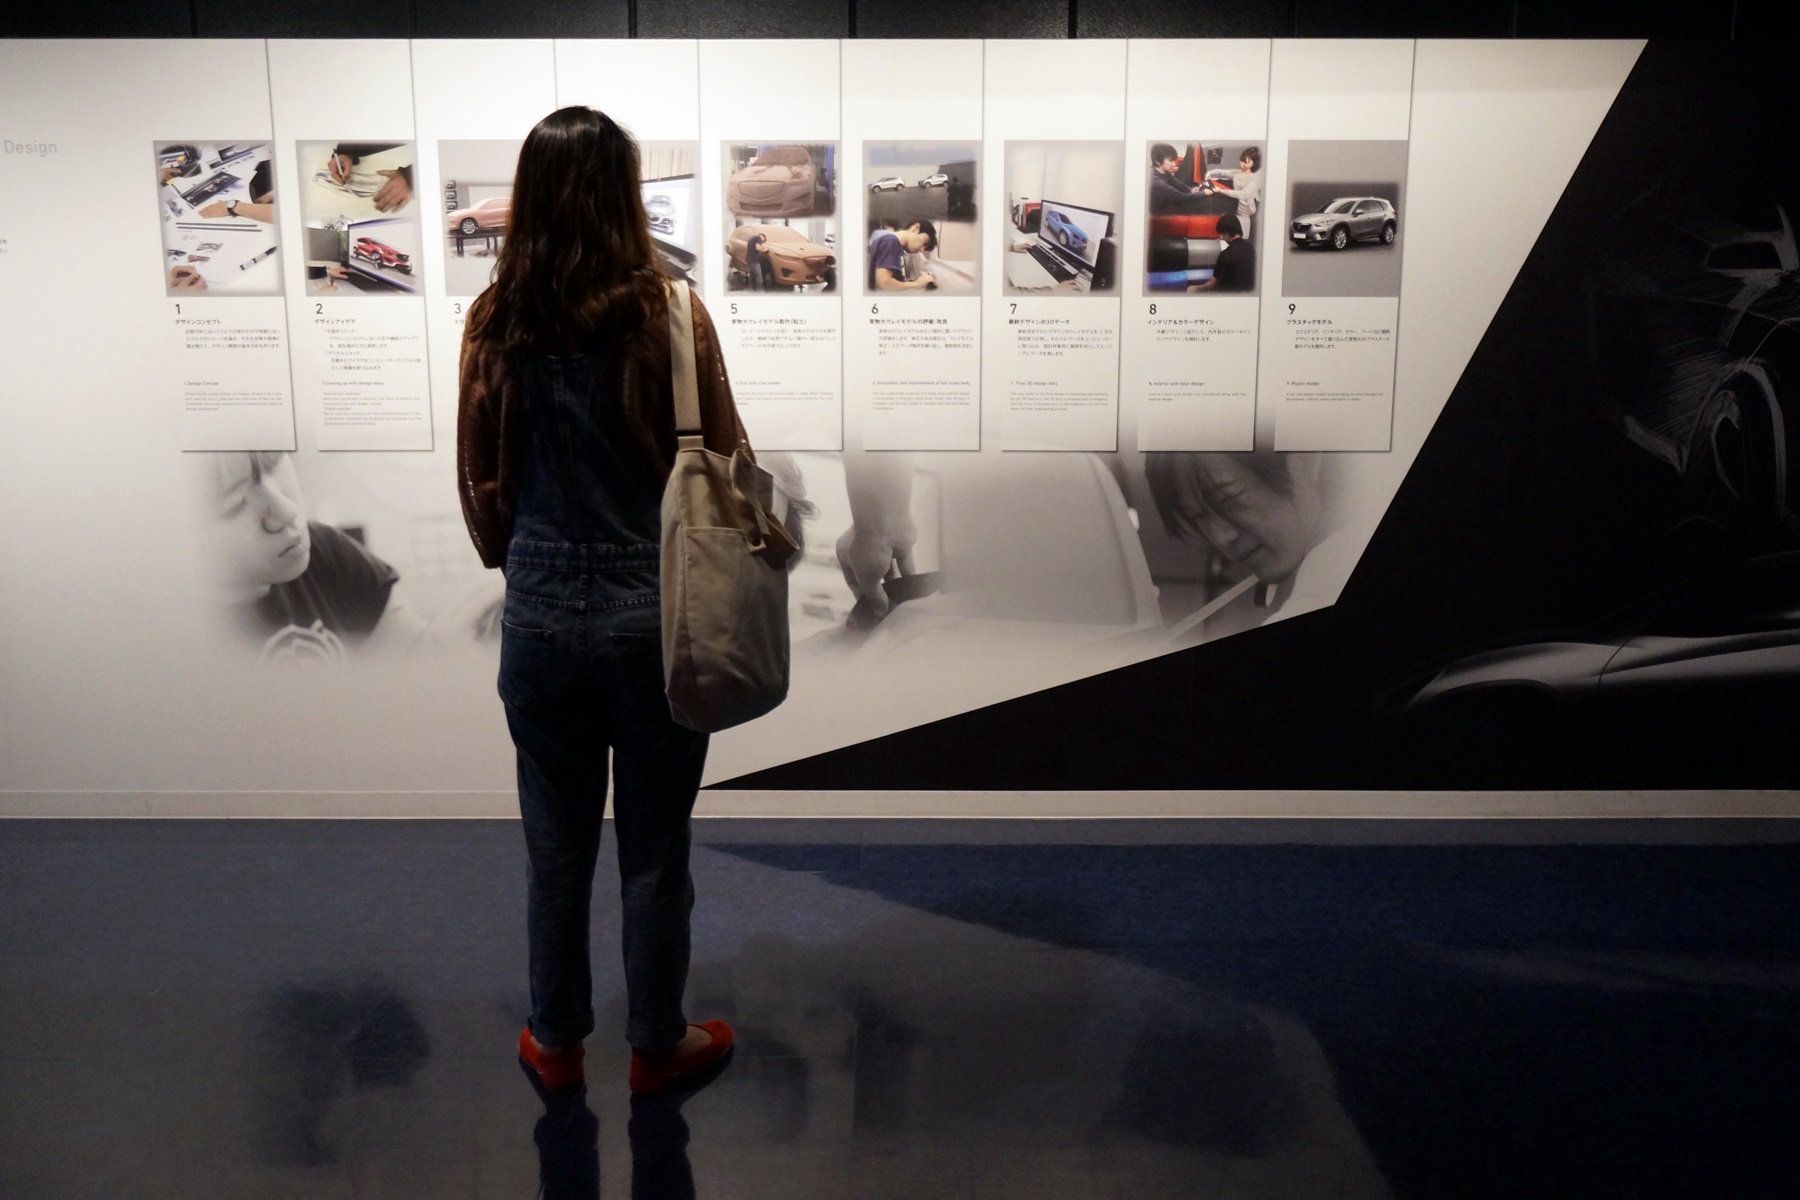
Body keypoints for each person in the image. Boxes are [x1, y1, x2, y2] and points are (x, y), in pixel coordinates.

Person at [457, 106, 746, 1098]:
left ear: (529, 197)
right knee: (655, 850)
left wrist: (520, 562)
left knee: (555, 848)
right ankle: (657, 1044)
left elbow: (481, 481)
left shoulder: (494, 317)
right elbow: (728, 458)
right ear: (625, 194)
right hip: (654, 616)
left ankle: (556, 1041)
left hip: (539, 613)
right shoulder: (671, 311)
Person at [198, 451, 426, 660]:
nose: (287, 511)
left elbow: (420, 654)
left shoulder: (326, 550)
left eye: (274, 463)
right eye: (233, 504)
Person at [1206, 147, 1262, 241]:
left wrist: (1221, 191)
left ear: (1254, 164)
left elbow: (1243, 195)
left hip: (1246, 209)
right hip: (1235, 204)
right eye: (1241, 161)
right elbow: (1222, 172)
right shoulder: (1238, 173)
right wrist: (1210, 172)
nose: (1242, 164)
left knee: (1245, 237)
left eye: (1246, 162)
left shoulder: (1255, 179)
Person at [868, 219, 937, 291]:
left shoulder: (896, 246)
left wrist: (920, 280)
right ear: (916, 228)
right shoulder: (890, 241)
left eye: (925, 248)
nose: (921, 250)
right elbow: (884, 284)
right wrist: (917, 284)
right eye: (925, 242)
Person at [1192, 213, 1254, 293]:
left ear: (1227, 233)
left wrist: (1196, 288)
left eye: (1222, 234)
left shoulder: (1226, 254)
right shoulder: (1252, 249)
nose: (1223, 238)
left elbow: (1212, 284)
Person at [1148, 143, 1199, 215]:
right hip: (1157, 213)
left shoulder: (1164, 172)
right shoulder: (1156, 181)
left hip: (1164, 205)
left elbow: (1178, 184)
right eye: (1170, 161)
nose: (1174, 164)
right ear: (1158, 161)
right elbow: (1181, 197)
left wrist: (1190, 190)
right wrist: (1203, 192)